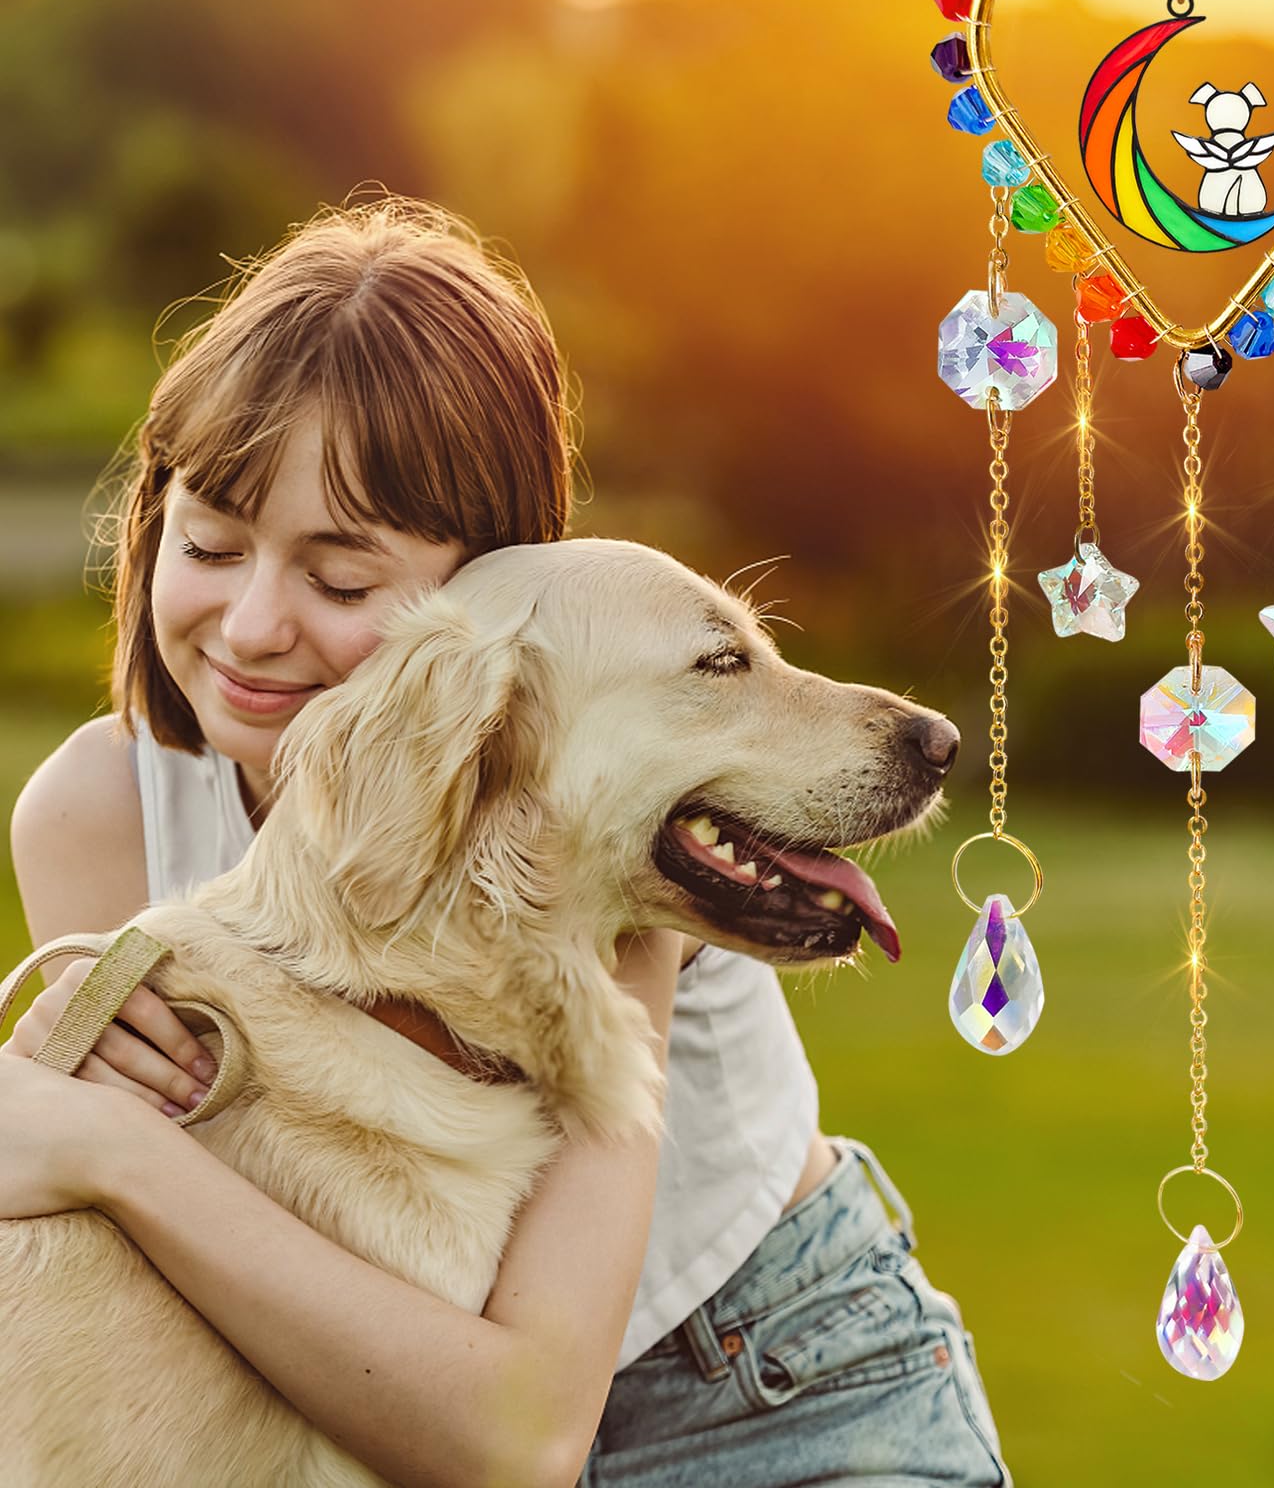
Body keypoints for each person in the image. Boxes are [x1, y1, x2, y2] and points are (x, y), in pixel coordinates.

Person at [1, 197, 1009, 1488]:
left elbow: (519, 1429)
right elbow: (167, 1309)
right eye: (208, 544)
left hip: (770, 1392)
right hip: (367, 1413)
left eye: (344, 581)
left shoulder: (602, 852)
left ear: (503, 588)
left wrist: (110, 1152)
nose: (252, 626)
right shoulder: (104, 819)